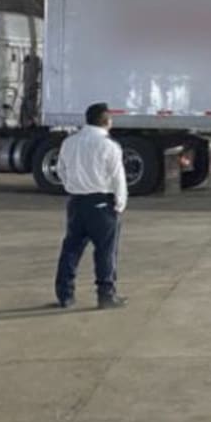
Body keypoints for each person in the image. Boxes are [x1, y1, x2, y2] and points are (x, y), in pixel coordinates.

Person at [53, 102, 128, 309]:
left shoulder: (70, 142)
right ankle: (106, 295)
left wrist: (72, 186)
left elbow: (61, 170)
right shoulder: (109, 145)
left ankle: (65, 295)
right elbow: (117, 178)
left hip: (76, 202)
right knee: (105, 251)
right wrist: (119, 204)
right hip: (101, 203)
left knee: (71, 249)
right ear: (106, 121)